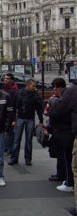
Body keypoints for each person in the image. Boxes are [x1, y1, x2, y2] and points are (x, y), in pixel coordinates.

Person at [45, 79, 77, 216]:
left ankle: (69, 182)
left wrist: (52, 103)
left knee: (72, 164)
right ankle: (66, 178)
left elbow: (56, 111)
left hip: (67, 133)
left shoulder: (72, 92)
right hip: (66, 133)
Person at [9, 79, 43, 166]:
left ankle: (28, 158)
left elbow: (39, 108)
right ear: (27, 85)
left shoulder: (35, 95)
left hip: (30, 118)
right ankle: (14, 158)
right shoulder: (19, 94)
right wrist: (13, 120)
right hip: (20, 118)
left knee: (29, 140)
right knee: (16, 140)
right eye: (33, 86)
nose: (35, 88)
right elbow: (14, 107)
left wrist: (41, 120)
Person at [49, 87, 74, 193]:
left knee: (67, 160)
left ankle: (69, 182)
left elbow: (54, 115)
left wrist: (53, 102)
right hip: (69, 135)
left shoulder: (62, 108)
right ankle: (68, 180)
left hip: (65, 136)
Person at [45, 78, 66, 182]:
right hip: (54, 129)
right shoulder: (53, 98)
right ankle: (60, 173)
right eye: (54, 86)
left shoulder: (64, 99)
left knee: (62, 154)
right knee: (58, 153)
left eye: (57, 87)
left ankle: (62, 174)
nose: (55, 88)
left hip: (61, 129)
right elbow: (47, 113)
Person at [3, 73, 18, 156]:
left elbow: (10, 104)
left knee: (9, 132)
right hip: (9, 113)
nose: (5, 80)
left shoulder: (11, 90)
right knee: (8, 132)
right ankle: (6, 148)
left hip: (10, 114)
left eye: (8, 78)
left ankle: (9, 149)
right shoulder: (8, 88)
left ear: (11, 80)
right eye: (5, 78)